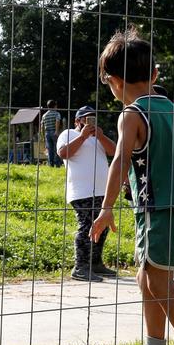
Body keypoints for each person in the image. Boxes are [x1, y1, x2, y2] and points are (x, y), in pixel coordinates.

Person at [91, 27, 174, 345]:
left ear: (111, 80)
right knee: (147, 279)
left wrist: (106, 206)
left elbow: (120, 159)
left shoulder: (131, 114)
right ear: (155, 74)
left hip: (157, 210)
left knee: (158, 284)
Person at [57, 105, 117, 281]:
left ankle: (95, 263)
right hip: (82, 191)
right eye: (85, 119)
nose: (89, 122)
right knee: (86, 226)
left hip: (102, 191)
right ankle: (80, 267)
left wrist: (101, 135)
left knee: (102, 227)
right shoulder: (68, 133)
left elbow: (114, 151)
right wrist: (83, 136)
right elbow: (63, 153)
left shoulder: (98, 138)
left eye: (93, 118)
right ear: (77, 121)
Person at [41, 100, 63, 167]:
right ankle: (57, 164)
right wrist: (56, 131)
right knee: (56, 148)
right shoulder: (57, 114)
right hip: (54, 131)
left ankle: (51, 164)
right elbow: (57, 121)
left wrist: (43, 135)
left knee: (49, 149)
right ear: (54, 106)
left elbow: (42, 126)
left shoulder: (44, 115)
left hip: (47, 133)